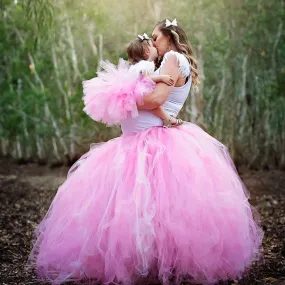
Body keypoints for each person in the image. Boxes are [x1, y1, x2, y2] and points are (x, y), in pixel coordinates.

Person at [27, 19, 263, 285]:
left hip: (154, 142)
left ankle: (164, 264)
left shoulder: (172, 56)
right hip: (136, 140)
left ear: (170, 37)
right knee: (143, 206)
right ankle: (149, 263)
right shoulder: (158, 64)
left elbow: (154, 100)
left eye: (155, 37)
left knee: (155, 204)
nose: (152, 43)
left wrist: (120, 97)